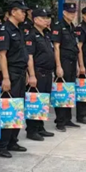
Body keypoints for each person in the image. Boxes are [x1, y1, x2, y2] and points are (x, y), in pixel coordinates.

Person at [0, 0, 37, 158]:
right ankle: (1, 145)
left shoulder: (19, 29)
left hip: (20, 72)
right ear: (13, 12)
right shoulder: (5, 30)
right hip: (10, 73)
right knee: (8, 108)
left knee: (17, 107)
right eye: (22, 11)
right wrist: (5, 78)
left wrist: (27, 73)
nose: (24, 14)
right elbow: (2, 55)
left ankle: (13, 140)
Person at [26, 8, 56, 141]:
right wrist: (32, 75)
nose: (46, 20)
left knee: (43, 100)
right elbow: (29, 56)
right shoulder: (31, 35)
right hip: (38, 72)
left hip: (48, 72)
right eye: (43, 18)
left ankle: (40, 126)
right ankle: (31, 129)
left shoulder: (46, 34)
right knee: (35, 101)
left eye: (47, 18)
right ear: (35, 19)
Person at [51, 2, 81, 132]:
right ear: (64, 12)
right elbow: (56, 47)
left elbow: (75, 47)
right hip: (63, 62)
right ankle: (60, 121)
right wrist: (58, 66)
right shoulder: (58, 26)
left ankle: (67, 119)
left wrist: (78, 65)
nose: (72, 14)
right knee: (61, 92)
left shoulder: (71, 27)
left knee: (69, 91)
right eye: (70, 12)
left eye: (74, 12)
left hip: (72, 62)